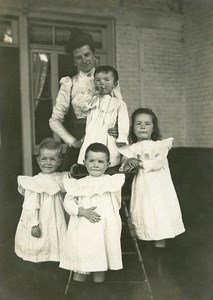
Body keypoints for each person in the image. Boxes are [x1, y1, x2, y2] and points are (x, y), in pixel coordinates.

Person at [49, 28, 117, 171]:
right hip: (81, 141)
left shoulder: (109, 79)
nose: (84, 60)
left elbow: (118, 107)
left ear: (94, 54)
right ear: (74, 60)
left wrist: (117, 129)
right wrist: (72, 142)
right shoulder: (69, 83)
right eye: (78, 57)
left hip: (105, 139)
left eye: (87, 54)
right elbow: (54, 120)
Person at [119, 108, 185, 248]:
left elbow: (157, 163)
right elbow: (123, 167)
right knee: (145, 215)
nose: (142, 126)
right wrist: (128, 162)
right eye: (138, 123)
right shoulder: (130, 149)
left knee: (160, 215)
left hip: (159, 188)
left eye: (147, 123)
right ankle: (147, 253)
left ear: (153, 128)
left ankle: (159, 252)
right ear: (132, 127)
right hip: (142, 187)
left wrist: (140, 163)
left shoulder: (160, 146)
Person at [59, 143, 125, 283]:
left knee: (101, 258)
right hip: (84, 228)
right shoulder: (78, 183)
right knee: (82, 259)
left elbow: (116, 202)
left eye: (101, 162)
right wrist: (81, 211)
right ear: (84, 162)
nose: (96, 165)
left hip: (104, 227)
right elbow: (68, 202)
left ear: (108, 164)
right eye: (91, 161)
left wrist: (108, 216)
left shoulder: (112, 182)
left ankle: (98, 289)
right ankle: (79, 288)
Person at [15, 138, 68, 263]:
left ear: (59, 161)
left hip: (56, 216)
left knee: (55, 239)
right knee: (40, 242)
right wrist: (34, 224)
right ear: (38, 160)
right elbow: (30, 206)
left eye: (52, 159)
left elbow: (71, 185)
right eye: (44, 159)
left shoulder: (60, 178)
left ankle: (53, 259)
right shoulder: (34, 182)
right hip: (40, 219)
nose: (48, 163)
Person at [77, 65, 129, 170]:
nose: (101, 83)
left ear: (115, 84)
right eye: (97, 80)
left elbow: (124, 123)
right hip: (92, 136)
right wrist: (92, 92)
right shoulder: (93, 101)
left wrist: (122, 137)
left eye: (106, 79)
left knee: (109, 162)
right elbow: (82, 105)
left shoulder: (119, 103)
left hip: (108, 138)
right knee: (90, 161)